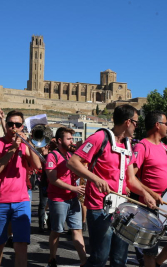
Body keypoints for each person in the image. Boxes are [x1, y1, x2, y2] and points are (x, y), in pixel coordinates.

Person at [67, 104, 158, 267]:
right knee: (99, 258)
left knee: (119, 260)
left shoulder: (128, 145)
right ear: (128, 122)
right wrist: (95, 179)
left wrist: (145, 194)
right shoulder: (99, 138)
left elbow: (131, 179)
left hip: (122, 209)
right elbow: (73, 162)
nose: (137, 126)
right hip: (99, 207)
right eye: (136, 122)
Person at [0, 110, 42, 267]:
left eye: (17, 125)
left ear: (22, 127)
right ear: (6, 125)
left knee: (21, 244)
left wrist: (28, 145)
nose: (13, 127)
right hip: (0, 200)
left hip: (22, 200)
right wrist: (12, 149)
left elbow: (37, 166)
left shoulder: (24, 145)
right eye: (10, 124)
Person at [132, 110, 167, 267]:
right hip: (150, 206)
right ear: (157, 125)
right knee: (149, 251)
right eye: (166, 123)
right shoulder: (141, 147)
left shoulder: (165, 148)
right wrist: (149, 194)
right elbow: (132, 177)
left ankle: (157, 263)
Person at [45, 127, 86, 267]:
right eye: (69, 139)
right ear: (59, 140)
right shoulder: (52, 155)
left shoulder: (71, 155)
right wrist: (74, 188)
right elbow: (52, 179)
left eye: (72, 139)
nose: (71, 142)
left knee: (77, 230)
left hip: (73, 198)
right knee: (56, 231)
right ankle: (52, 258)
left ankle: (84, 262)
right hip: (58, 199)